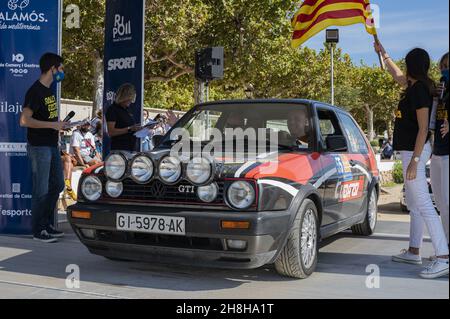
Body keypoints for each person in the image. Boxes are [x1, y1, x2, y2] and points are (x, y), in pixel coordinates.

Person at [375, 42, 449, 279]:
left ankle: (443, 257)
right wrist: (383, 53)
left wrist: (415, 161)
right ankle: (414, 251)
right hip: (411, 152)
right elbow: (396, 74)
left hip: (415, 151)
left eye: (406, 64)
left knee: (425, 205)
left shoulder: (419, 91)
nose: (403, 69)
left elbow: (422, 129)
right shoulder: (416, 85)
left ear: (412, 66)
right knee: (416, 205)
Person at [19, 52, 67, 243]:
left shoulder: (50, 91)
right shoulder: (35, 91)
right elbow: (24, 120)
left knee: (58, 185)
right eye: (61, 68)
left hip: (51, 145)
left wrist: (59, 125)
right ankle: (38, 230)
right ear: (52, 69)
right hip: (39, 147)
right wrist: (52, 125)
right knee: (41, 189)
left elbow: (47, 119)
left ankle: (46, 224)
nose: (62, 72)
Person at [430, 52, 449, 249]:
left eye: (448, 66)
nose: (444, 70)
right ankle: (445, 248)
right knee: (441, 203)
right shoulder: (441, 92)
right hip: (438, 152)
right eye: (442, 66)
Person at [105, 84, 141, 152]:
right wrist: (130, 129)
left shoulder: (127, 109)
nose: (131, 101)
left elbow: (130, 127)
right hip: (120, 149)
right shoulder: (112, 109)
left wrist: (141, 128)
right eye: (130, 99)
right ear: (124, 97)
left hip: (131, 148)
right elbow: (111, 132)